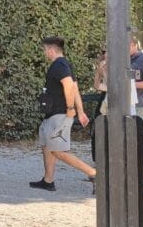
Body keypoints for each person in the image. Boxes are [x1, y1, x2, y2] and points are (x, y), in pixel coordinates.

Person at [30, 36, 95, 192]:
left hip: (59, 114)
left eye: (45, 49)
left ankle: (94, 174)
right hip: (53, 114)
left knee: (58, 151)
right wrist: (80, 111)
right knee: (47, 145)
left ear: (51, 49)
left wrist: (70, 108)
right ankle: (48, 180)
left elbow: (68, 85)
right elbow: (74, 87)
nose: (44, 52)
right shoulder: (64, 64)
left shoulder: (59, 65)